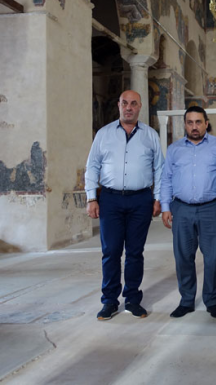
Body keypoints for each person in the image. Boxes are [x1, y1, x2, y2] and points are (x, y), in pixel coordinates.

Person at [85, 90, 164, 321]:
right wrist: (91, 198)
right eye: (125, 103)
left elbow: (159, 168)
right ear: (119, 105)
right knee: (111, 252)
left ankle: (132, 299)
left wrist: (158, 198)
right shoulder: (104, 134)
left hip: (141, 200)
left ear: (140, 107)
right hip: (110, 200)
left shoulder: (150, 135)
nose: (129, 107)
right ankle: (109, 301)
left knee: (135, 252)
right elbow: (92, 166)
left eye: (133, 104)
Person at [160, 106, 216, 319]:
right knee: (183, 257)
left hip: (211, 208)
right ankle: (187, 301)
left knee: (213, 258)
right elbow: (166, 179)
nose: (194, 126)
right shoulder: (174, 149)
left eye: (198, 122)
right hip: (181, 209)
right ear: (185, 124)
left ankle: (212, 301)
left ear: (206, 123)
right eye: (190, 122)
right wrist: (165, 207)